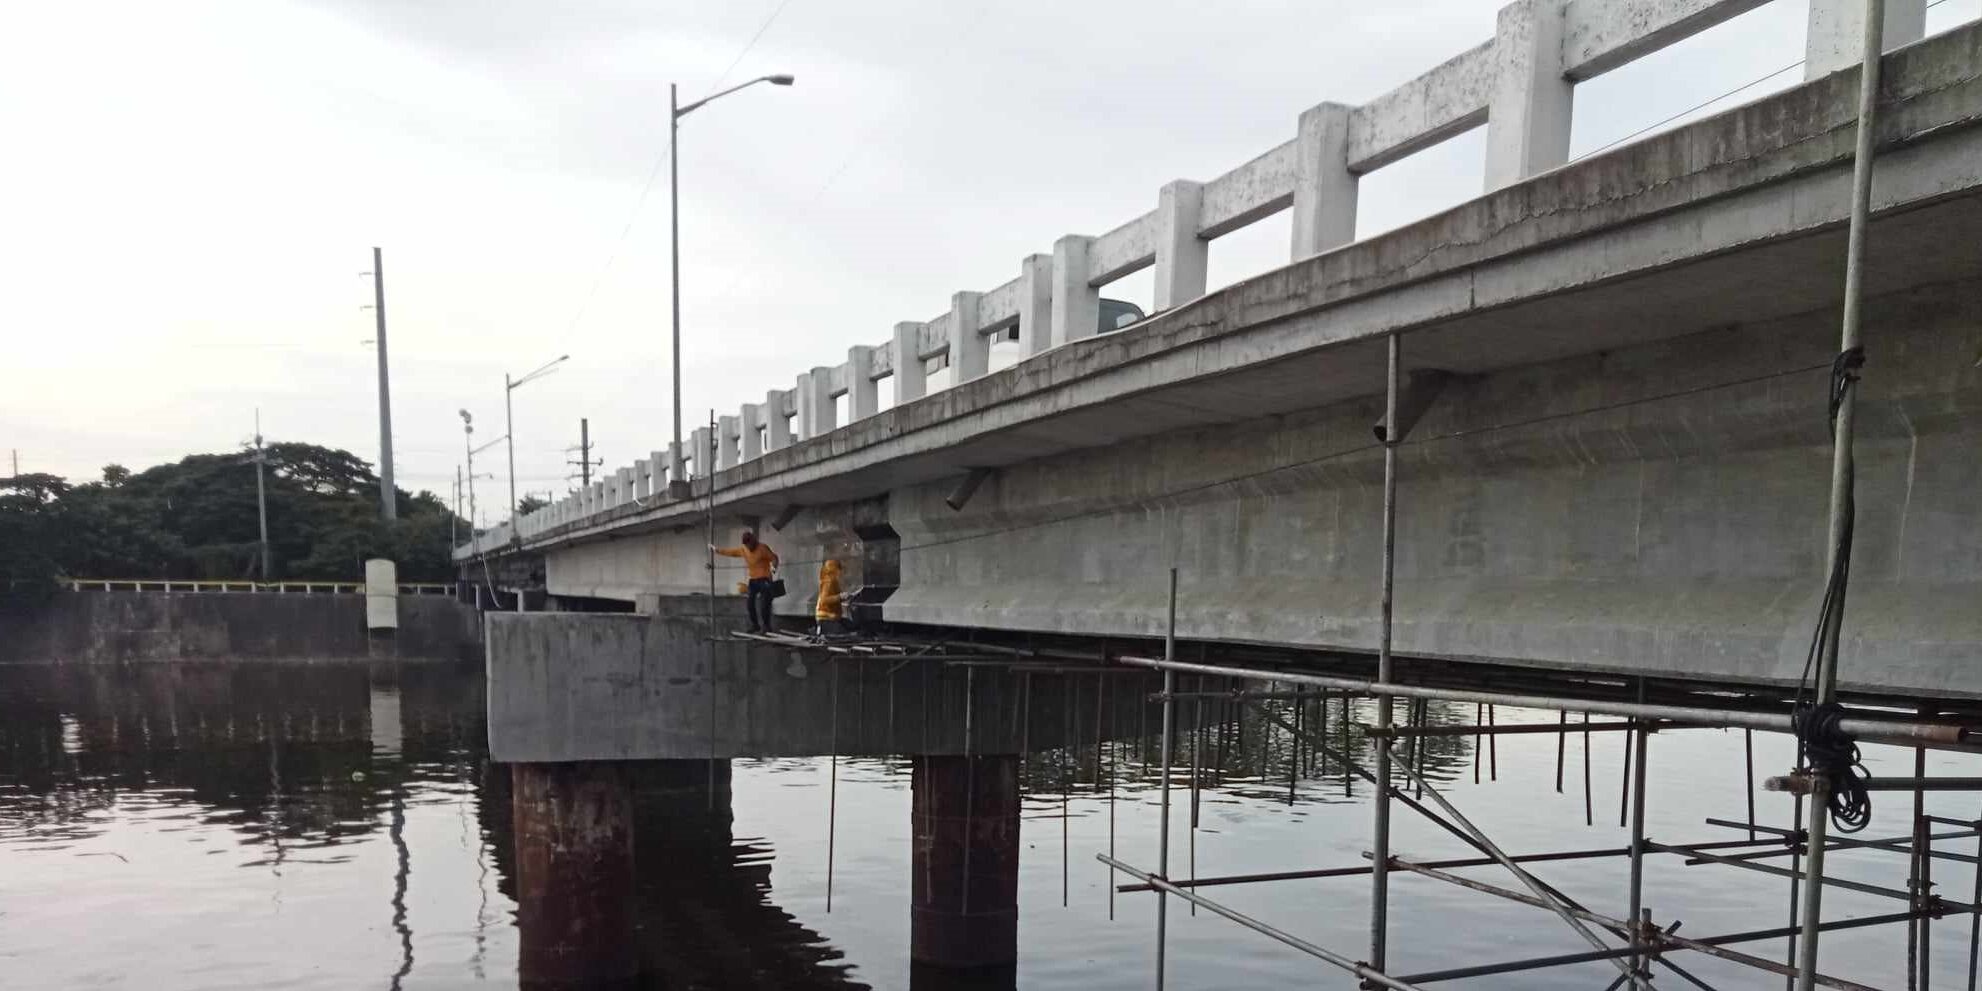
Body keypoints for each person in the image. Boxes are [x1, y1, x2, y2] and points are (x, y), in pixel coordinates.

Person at [710, 531, 779, 632]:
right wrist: (717, 550)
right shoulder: (744, 549)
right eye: (747, 546)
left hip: (765, 579)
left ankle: (766, 626)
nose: (749, 548)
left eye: (750, 545)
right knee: (750, 603)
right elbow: (732, 552)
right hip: (753, 580)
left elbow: (774, 558)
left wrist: (773, 567)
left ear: (753, 541)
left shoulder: (762, 548)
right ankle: (755, 625)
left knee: (764, 604)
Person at [814, 558, 845, 636]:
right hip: (827, 617)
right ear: (834, 570)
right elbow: (824, 600)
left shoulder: (830, 581)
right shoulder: (829, 582)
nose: (840, 573)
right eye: (838, 570)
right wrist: (840, 597)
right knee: (837, 637)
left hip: (827, 617)